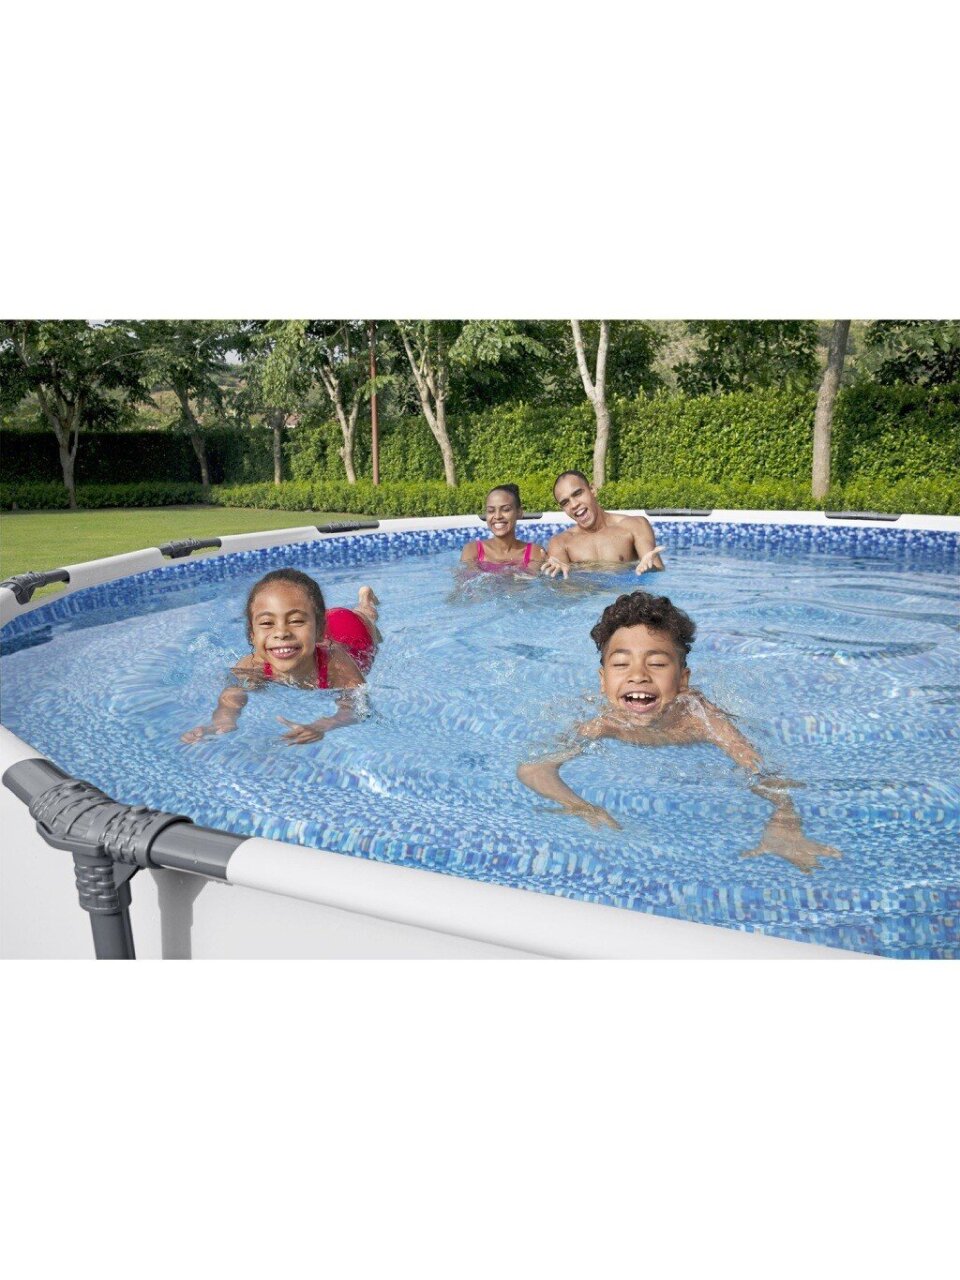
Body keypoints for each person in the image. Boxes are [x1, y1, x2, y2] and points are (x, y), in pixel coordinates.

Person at [516, 590, 842, 873]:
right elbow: (533, 769)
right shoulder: (603, 722)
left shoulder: (700, 720)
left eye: (657, 664)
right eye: (621, 664)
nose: (638, 675)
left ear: (683, 680)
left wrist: (785, 820)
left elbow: (762, 770)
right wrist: (581, 806)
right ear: (603, 681)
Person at [182, 569, 379, 746]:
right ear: (251, 634)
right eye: (267, 623)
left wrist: (322, 725)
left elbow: (357, 707)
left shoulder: (336, 663)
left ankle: (365, 600)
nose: (281, 633)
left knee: (368, 616)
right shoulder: (252, 666)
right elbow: (232, 696)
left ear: (319, 630)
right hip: (317, 627)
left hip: (352, 631)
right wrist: (222, 721)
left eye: (295, 621)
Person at [541, 470, 665, 578]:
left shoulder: (634, 525)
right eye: (565, 502)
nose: (574, 505)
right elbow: (563, 589)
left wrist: (649, 569)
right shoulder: (561, 543)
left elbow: (658, 573)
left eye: (578, 494)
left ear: (592, 490)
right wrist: (557, 576)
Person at [460, 483, 547, 572]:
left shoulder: (534, 552)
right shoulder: (473, 550)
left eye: (506, 509)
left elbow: (528, 578)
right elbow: (467, 579)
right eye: (491, 511)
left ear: (519, 512)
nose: (497, 516)